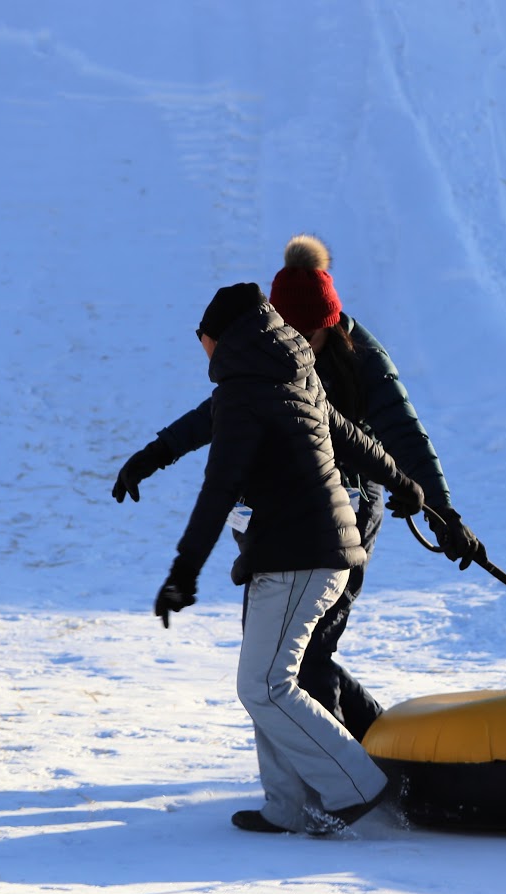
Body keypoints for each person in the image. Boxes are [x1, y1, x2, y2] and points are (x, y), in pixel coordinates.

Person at [115, 235, 480, 740]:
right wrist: (157, 453)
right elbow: (223, 411)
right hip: (285, 513)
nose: (303, 341)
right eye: (294, 329)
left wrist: (443, 514)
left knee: (308, 655)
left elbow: (403, 434)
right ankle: (375, 748)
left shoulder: (363, 359)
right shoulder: (272, 351)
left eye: (313, 332)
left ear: (331, 323)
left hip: (349, 509)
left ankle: (345, 779)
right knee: (295, 658)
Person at [153, 281, 426, 835]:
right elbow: (351, 437)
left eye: (200, 338)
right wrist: (400, 479)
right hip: (281, 547)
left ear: (216, 337)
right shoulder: (283, 375)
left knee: (266, 685)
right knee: (265, 681)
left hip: (302, 551)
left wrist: (183, 573)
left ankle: (356, 785)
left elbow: (217, 488)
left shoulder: (247, 389)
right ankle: (285, 805)